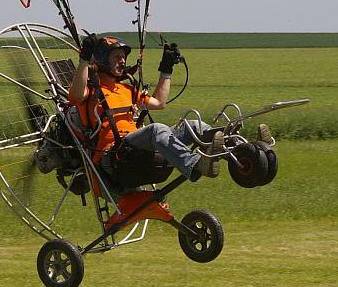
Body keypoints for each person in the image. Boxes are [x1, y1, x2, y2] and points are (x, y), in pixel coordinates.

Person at [68, 35, 224, 185]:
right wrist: (84, 60)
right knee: (157, 129)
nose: (122, 61)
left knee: (194, 126)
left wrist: (166, 69)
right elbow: (75, 96)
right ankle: (195, 164)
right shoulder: (91, 90)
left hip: (137, 147)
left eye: (123, 57)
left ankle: (234, 149)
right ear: (102, 60)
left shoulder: (127, 89)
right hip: (115, 156)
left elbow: (159, 103)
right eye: (117, 57)